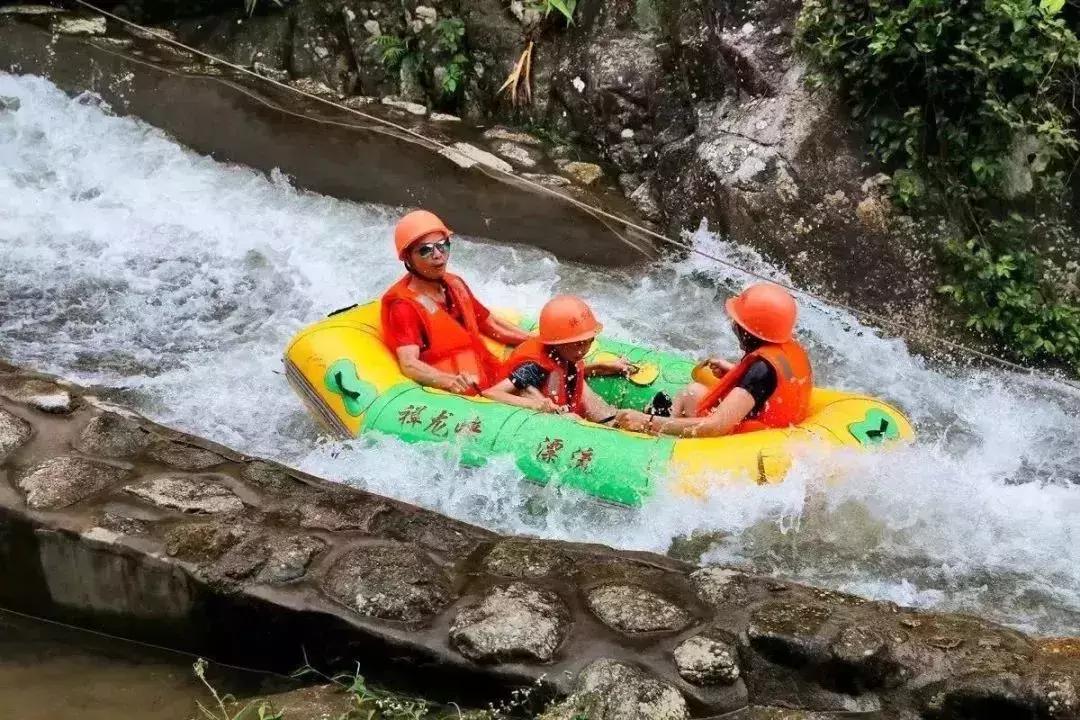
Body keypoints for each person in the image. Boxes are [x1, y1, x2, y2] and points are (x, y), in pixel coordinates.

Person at [615, 283, 813, 437]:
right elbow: (769, 392)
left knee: (689, 394)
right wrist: (736, 374)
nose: (734, 324)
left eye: (738, 322)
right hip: (777, 432)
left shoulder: (762, 370)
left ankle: (652, 435)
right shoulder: (786, 350)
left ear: (748, 331)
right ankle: (661, 419)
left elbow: (714, 427)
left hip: (745, 445)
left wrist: (646, 420)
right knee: (694, 392)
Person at [381, 210, 529, 395]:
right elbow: (409, 363)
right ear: (408, 258)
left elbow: (491, 324)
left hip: (488, 376)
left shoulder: (455, 284)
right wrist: (447, 380)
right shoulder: (404, 306)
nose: (438, 255)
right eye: (426, 250)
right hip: (459, 394)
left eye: (442, 246)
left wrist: (534, 340)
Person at [482, 295, 623, 423]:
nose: (584, 350)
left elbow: (566, 373)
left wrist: (602, 367)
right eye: (578, 343)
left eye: (589, 341)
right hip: (530, 407)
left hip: (555, 403)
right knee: (566, 415)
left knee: (590, 396)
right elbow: (490, 393)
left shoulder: (567, 353)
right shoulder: (532, 368)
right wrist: (535, 405)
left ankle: (612, 421)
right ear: (558, 342)